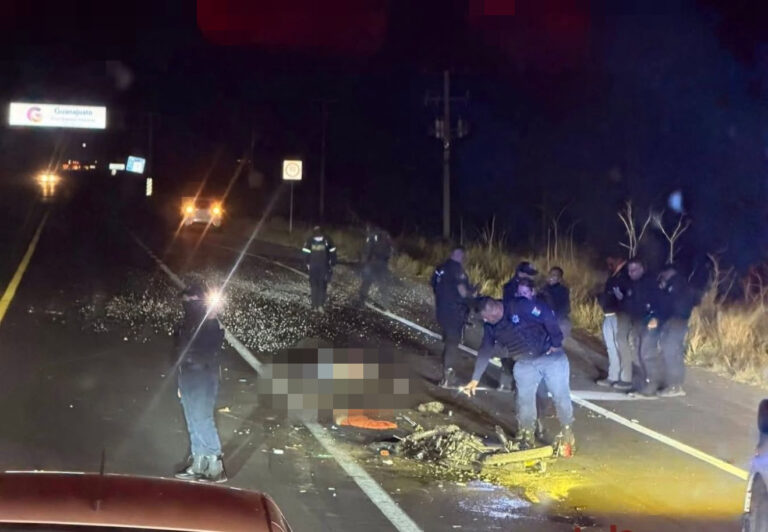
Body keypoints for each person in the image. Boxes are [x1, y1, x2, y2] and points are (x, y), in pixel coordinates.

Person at [461, 279, 575, 452]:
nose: (484, 320)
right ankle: (527, 435)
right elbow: (485, 349)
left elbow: (546, 315)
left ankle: (567, 431)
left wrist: (556, 342)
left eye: (485, 317)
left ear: (494, 310)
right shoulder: (491, 325)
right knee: (524, 401)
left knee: (560, 396)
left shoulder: (519, 306)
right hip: (524, 362)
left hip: (550, 357)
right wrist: (475, 379)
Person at [174, 281, 227, 483]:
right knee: (192, 419)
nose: (187, 304)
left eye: (192, 300)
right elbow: (180, 351)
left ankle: (215, 465)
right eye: (185, 301)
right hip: (187, 375)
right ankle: (198, 462)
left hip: (203, 376)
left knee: (202, 418)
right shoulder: (186, 324)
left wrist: (211, 315)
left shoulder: (210, 324)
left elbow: (209, 352)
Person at [614, 258, 662, 398]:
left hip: (649, 322)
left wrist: (655, 317)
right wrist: (622, 299)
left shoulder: (650, 284)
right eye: (629, 270)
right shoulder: (633, 284)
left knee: (646, 353)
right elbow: (631, 304)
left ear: (642, 269)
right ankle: (643, 384)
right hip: (637, 322)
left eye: (634, 269)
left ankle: (651, 386)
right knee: (638, 353)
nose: (631, 273)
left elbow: (660, 303)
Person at [431, 247, 477, 387]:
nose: (464, 259)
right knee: (452, 343)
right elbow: (463, 292)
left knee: (449, 342)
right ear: (459, 255)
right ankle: (447, 377)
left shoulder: (440, 268)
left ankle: (447, 372)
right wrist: (473, 293)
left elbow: (434, 285)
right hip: (454, 312)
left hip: (441, 310)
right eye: (463, 256)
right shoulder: (457, 270)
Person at [655, 263, 695, 397]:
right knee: (673, 352)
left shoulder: (675, 285)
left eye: (663, 274)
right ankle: (675, 384)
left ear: (669, 272)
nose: (662, 276)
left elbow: (668, 304)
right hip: (678, 321)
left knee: (670, 352)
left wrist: (662, 290)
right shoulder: (681, 284)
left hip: (675, 321)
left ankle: (673, 386)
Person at [596, 257, 632, 390]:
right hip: (609, 314)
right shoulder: (612, 276)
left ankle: (626, 379)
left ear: (620, 261)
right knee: (611, 347)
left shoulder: (625, 276)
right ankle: (613, 376)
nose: (609, 263)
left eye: (612, 260)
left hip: (619, 315)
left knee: (621, 347)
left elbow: (627, 297)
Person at [302, 225, 337, 313]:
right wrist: (333, 263)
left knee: (318, 286)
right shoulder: (313, 240)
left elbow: (332, 252)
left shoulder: (324, 240)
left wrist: (307, 264)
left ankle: (317, 306)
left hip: (319, 267)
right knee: (318, 286)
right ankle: (317, 306)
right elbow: (305, 252)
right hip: (319, 267)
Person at [357, 224, 394, 307]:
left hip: (372, 262)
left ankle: (361, 300)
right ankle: (385, 303)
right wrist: (386, 261)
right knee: (382, 283)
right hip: (383, 263)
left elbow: (367, 249)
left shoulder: (372, 236)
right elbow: (391, 250)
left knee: (367, 281)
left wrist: (364, 261)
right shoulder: (387, 236)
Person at [540, 266, 571, 339]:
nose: (551, 277)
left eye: (554, 275)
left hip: (556, 321)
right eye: (550, 274)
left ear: (559, 279)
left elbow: (566, 309)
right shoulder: (543, 288)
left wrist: (555, 319)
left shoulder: (563, 291)